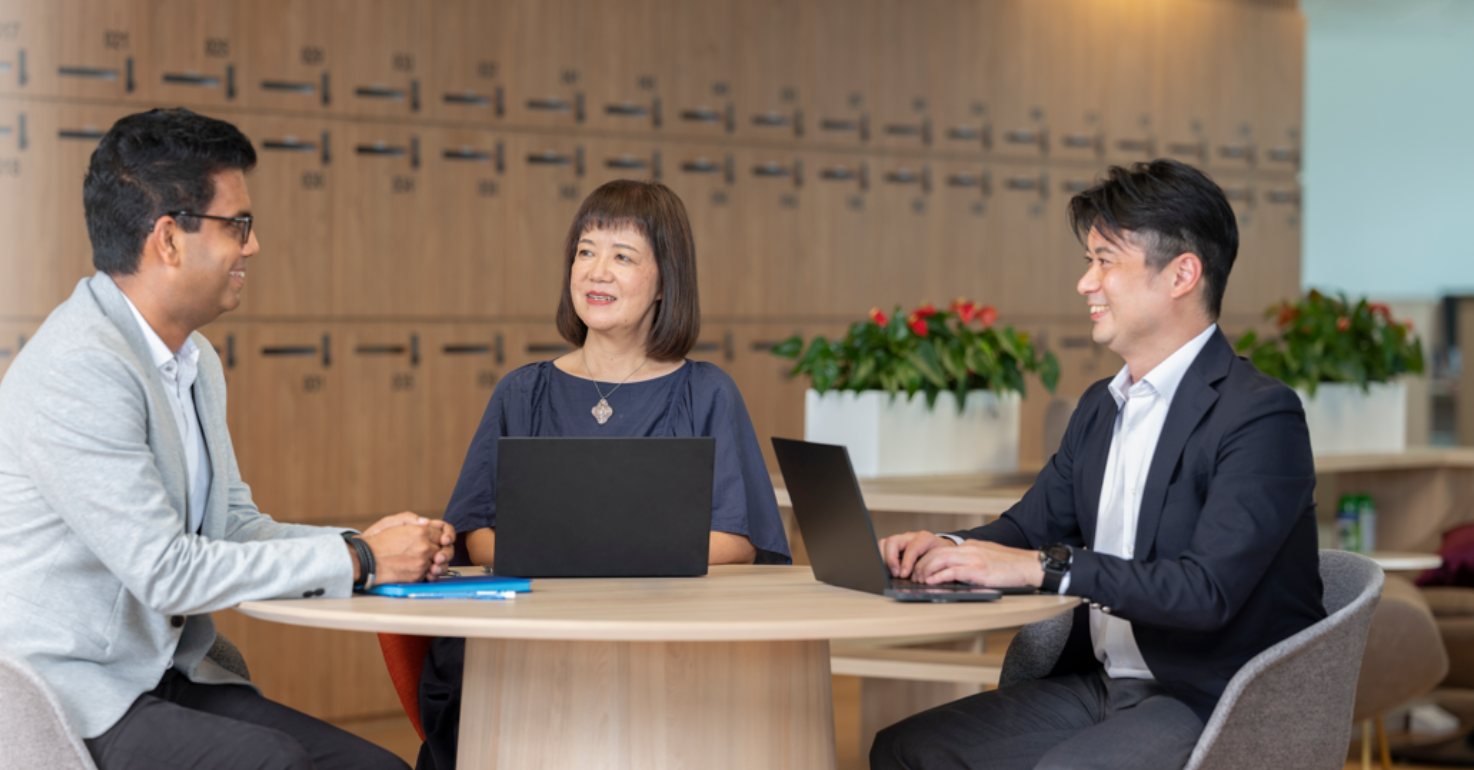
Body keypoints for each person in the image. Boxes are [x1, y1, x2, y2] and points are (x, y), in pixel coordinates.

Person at [0, 107, 452, 770]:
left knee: (372, 767)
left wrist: (360, 547)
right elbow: (166, 572)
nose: (253, 246)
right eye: (238, 224)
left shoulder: (193, 359)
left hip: (149, 676)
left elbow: (230, 527)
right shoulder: (80, 366)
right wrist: (360, 561)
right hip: (51, 691)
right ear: (168, 240)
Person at [869, 159, 1324, 770]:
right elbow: (1029, 531)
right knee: (907, 750)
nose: (1086, 283)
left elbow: (1206, 592)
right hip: (1104, 686)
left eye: (1105, 261)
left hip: (1213, 696)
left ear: (1181, 274)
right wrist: (940, 546)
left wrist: (1045, 569)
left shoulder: (1261, 416)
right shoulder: (1101, 406)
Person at [408, 179, 792, 770]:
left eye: (623, 256)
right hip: (532, 639)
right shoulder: (523, 391)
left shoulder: (707, 392)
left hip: (668, 640)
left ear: (667, 281)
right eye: (586, 251)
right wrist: (598, 556)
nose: (597, 273)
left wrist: (583, 554)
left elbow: (739, 542)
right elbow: (474, 533)